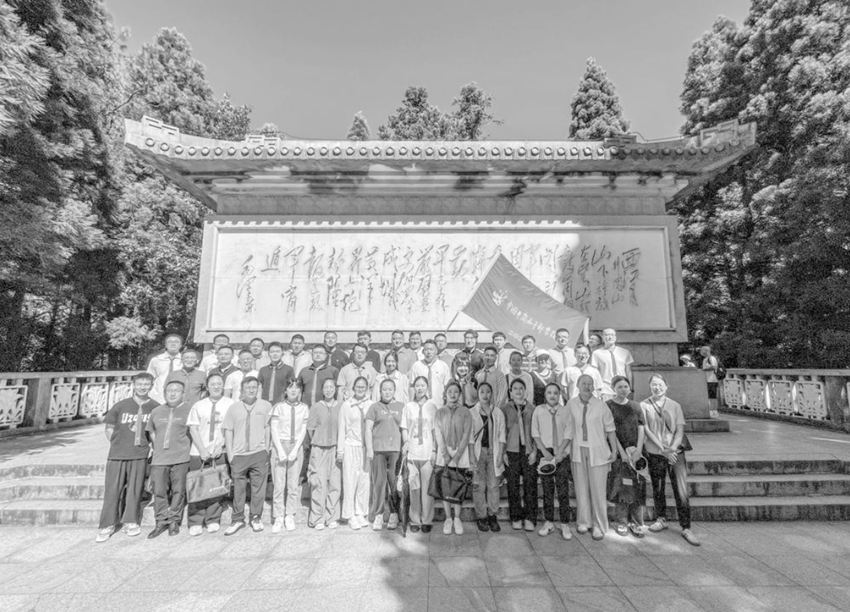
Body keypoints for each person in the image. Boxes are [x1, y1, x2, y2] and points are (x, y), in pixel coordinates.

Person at [96, 372, 158, 543]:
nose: (143, 387)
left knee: (134, 489)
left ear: (151, 386)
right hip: (117, 454)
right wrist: (117, 443)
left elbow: (156, 431)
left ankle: (130, 520)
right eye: (140, 384)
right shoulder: (121, 406)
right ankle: (107, 524)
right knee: (112, 490)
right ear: (134, 385)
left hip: (139, 454)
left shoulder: (155, 407)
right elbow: (109, 427)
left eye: (146, 384)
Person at [641, 373, 700, 546]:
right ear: (649, 386)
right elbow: (646, 430)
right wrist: (662, 449)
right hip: (655, 451)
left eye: (660, 384)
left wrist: (672, 448)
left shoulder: (675, 405)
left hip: (675, 452)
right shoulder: (644, 405)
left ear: (666, 387)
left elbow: (680, 430)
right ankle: (661, 518)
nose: (657, 387)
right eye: (654, 384)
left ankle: (686, 526)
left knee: (680, 489)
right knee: (658, 486)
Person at [559, 374, 617, 541]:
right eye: (583, 383)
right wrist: (562, 450)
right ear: (577, 385)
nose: (587, 386)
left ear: (594, 386)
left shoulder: (601, 405)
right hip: (578, 451)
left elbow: (610, 429)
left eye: (590, 384)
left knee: (598, 490)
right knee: (581, 488)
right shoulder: (571, 404)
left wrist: (614, 450)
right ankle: (584, 521)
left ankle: (598, 524)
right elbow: (567, 428)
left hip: (597, 452)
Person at [221, 376, 273, 535]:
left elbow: (268, 428)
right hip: (239, 454)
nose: (251, 390)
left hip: (258, 453)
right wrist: (230, 454)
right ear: (242, 390)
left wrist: (266, 449)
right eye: (248, 387)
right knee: (238, 488)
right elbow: (228, 431)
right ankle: (237, 519)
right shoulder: (234, 408)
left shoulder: (265, 406)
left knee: (259, 488)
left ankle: (255, 517)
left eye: (254, 387)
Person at [186, 372, 233, 536]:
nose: (216, 386)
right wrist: (202, 450)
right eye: (213, 384)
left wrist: (222, 446)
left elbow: (231, 428)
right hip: (198, 451)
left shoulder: (230, 404)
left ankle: (213, 518)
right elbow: (193, 428)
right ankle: (195, 520)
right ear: (207, 386)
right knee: (197, 486)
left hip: (219, 450)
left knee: (216, 486)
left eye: (219, 383)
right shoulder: (199, 405)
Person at [145, 380, 192, 539]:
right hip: (160, 458)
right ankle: (160, 521)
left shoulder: (189, 410)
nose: (172, 393)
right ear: (164, 393)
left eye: (176, 390)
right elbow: (152, 432)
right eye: (169, 390)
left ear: (183, 394)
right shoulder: (156, 411)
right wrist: (158, 446)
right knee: (159, 491)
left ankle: (174, 520)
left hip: (181, 457)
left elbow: (193, 432)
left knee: (179, 491)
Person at [606, 375, 646, 539]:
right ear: (613, 389)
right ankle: (622, 521)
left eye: (625, 386)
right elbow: (610, 430)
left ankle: (637, 522)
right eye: (619, 387)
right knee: (621, 487)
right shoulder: (609, 406)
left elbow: (641, 427)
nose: (623, 389)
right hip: (619, 453)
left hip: (637, 453)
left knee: (637, 487)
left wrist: (638, 450)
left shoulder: (636, 406)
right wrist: (621, 453)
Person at [532, 382, 572, 540]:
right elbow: (535, 432)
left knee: (563, 490)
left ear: (559, 395)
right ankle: (548, 521)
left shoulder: (565, 411)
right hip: (545, 453)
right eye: (549, 392)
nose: (552, 395)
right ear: (545, 395)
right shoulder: (538, 410)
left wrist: (560, 452)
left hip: (562, 453)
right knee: (547, 490)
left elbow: (569, 432)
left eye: (555, 393)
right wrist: (543, 451)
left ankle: (565, 523)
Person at [270, 379, 309, 533]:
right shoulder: (278, 407)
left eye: (297, 388)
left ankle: (290, 514)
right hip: (280, 444)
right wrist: (280, 450)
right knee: (279, 484)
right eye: (290, 387)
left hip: (296, 446)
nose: (293, 390)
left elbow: (303, 430)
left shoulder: (304, 408)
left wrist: (295, 449)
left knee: (293, 484)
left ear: (300, 391)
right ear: (285, 390)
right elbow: (274, 429)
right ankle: (278, 515)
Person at [400, 376, 438, 533]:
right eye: (417, 385)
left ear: (427, 388)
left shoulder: (432, 407)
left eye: (423, 385)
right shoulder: (408, 407)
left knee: (427, 489)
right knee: (414, 489)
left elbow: (435, 430)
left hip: (427, 452)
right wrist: (406, 442)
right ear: (413, 388)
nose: (420, 388)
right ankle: (414, 519)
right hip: (413, 452)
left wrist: (435, 450)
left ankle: (427, 519)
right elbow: (404, 427)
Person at [365, 379, 404, 531]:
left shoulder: (401, 407)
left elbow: (405, 428)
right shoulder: (374, 408)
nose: (387, 392)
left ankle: (394, 513)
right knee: (379, 483)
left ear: (394, 391)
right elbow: (368, 429)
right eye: (384, 389)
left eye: (390, 389)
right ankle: (379, 514)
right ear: (380, 391)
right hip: (378, 451)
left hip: (395, 451)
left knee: (394, 483)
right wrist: (369, 448)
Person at [434, 381, 472, 535]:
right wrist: (445, 454)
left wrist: (457, 456)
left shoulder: (465, 411)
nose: (452, 394)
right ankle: (448, 518)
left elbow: (467, 433)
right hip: (444, 454)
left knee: (458, 486)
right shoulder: (440, 412)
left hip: (460, 455)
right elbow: (438, 433)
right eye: (449, 391)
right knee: (445, 486)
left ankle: (457, 518)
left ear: (460, 394)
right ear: (445, 394)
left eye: (456, 391)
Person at [469, 382, 505, 533]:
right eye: (482, 391)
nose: (485, 394)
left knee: (493, 486)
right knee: (479, 486)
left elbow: (502, 435)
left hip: (493, 452)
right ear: (478, 394)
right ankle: (481, 516)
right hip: (478, 453)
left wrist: (500, 454)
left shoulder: (497, 412)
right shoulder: (472, 412)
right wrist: (472, 456)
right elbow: (470, 437)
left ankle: (492, 515)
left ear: (492, 393)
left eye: (488, 391)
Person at [502, 378, 537, 532]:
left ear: (525, 391)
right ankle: (516, 517)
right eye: (515, 388)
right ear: (510, 391)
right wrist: (503, 452)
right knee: (513, 485)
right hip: (511, 450)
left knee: (530, 484)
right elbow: (502, 432)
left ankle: (530, 518)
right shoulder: (505, 409)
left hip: (528, 450)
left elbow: (537, 432)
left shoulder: (532, 408)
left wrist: (535, 451)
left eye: (521, 388)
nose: (518, 391)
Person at [337, 376, 372, 530]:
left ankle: (360, 512)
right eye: (358, 386)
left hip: (365, 447)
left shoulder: (370, 405)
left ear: (367, 388)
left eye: (363, 387)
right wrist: (340, 450)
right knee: (350, 481)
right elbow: (342, 428)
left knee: (364, 481)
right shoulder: (347, 405)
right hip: (350, 445)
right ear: (353, 388)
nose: (360, 389)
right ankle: (349, 513)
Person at [306, 378, 342, 530]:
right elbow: (310, 429)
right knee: (318, 483)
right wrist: (317, 441)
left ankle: (332, 517)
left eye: (331, 387)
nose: (329, 390)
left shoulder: (341, 406)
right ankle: (317, 518)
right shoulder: (316, 407)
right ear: (322, 390)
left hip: (335, 448)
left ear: (335, 389)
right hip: (319, 448)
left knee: (334, 484)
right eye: (326, 387)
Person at [590, 328, 634, 401]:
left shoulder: (625, 352)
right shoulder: (596, 353)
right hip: (605, 390)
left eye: (612, 335)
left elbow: (629, 372)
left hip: (622, 389)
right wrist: (596, 390)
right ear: (603, 337)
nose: (610, 337)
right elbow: (594, 374)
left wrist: (631, 389)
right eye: (607, 335)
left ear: (615, 337)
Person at [409, 339, 451, 408]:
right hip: (420, 405)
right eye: (426, 349)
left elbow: (447, 387)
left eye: (431, 349)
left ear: (436, 351)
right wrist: (412, 404)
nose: (428, 352)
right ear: (423, 351)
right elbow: (411, 386)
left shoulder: (443, 366)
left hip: (439, 404)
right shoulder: (416, 366)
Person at [146, 333, 183, 403]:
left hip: (178, 394)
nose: (173, 344)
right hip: (159, 395)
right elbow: (149, 378)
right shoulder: (156, 360)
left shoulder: (185, 360)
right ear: (165, 345)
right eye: (170, 342)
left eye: (176, 342)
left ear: (181, 345)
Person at [476, 345, 508, 410]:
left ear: (495, 358)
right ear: (483, 356)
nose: (489, 358)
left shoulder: (500, 375)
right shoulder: (478, 374)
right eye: (487, 355)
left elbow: (502, 396)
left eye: (492, 356)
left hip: (493, 410)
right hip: (479, 410)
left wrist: (495, 411)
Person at [700, 346, 720, 414]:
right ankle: (710, 410)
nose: (700, 352)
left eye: (701, 350)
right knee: (709, 396)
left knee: (712, 396)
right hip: (707, 380)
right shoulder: (705, 359)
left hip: (712, 379)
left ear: (705, 351)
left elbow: (714, 367)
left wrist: (704, 370)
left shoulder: (711, 358)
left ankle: (714, 410)